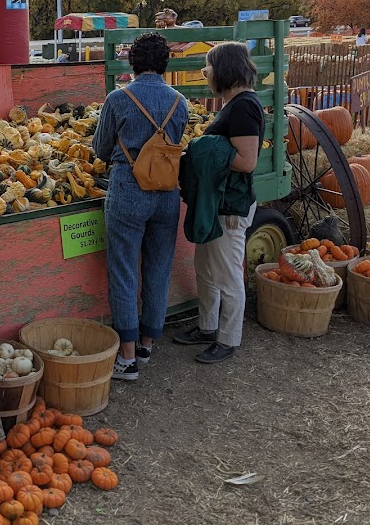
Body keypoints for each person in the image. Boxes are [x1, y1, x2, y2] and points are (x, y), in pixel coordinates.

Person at [93, 32, 188, 381]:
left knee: (123, 270)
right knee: (159, 267)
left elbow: (102, 149)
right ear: (165, 63)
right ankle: (147, 343)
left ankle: (127, 358)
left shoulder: (118, 100)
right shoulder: (181, 102)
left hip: (128, 192)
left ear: (132, 63)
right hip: (167, 193)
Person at [174, 42, 264, 363]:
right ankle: (207, 326)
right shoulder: (233, 104)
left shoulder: (244, 107)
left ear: (224, 70)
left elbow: (247, 160)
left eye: (208, 68)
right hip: (217, 202)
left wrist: (201, 150)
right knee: (206, 268)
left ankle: (228, 339)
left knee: (226, 274)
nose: (206, 74)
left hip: (231, 204)